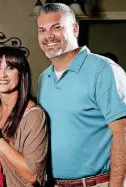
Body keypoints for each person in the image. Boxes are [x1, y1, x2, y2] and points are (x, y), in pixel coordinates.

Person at [36, 3, 126, 187]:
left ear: (75, 29)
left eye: (57, 27)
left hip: (98, 183)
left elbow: (123, 132)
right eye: (42, 30)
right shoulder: (43, 78)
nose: (48, 36)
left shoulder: (103, 70)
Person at [0, 46, 48, 187]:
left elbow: (33, 175)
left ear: (21, 73)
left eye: (10, 68)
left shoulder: (34, 116)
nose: (2, 74)